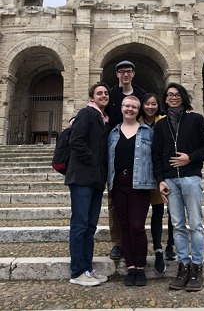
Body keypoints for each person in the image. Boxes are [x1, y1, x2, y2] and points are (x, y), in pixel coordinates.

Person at [152, 83, 204, 292]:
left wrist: (190, 158)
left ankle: (197, 267)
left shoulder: (196, 119)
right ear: (165, 99)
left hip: (190, 177)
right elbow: (156, 154)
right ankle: (183, 266)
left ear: (183, 97)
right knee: (177, 225)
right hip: (170, 180)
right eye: (169, 95)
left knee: (195, 224)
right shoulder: (160, 125)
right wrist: (160, 180)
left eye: (177, 94)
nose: (173, 98)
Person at [65, 82, 111, 287]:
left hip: (95, 180)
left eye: (106, 93)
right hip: (83, 177)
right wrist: (93, 160)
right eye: (99, 93)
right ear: (92, 97)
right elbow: (76, 141)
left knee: (90, 226)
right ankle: (77, 271)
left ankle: (87, 268)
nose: (103, 95)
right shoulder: (85, 113)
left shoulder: (103, 119)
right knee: (80, 224)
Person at [108, 95, 156, 287]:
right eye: (126, 106)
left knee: (137, 227)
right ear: (121, 108)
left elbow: (155, 157)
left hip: (140, 184)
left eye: (134, 107)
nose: (130, 109)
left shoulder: (148, 132)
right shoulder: (112, 133)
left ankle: (141, 267)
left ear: (139, 110)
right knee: (125, 228)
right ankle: (130, 267)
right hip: (118, 184)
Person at [106, 60, 146, 261]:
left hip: (137, 145)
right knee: (114, 201)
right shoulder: (111, 93)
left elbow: (153, 108)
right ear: (117, 74)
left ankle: (134, 239)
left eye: (128, 71)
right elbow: (97, 106)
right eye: (121, 72)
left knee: (136, 200)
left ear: (133, 73)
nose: (125, 75)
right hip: (115, 146)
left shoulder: (140, 93)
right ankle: (117, 243)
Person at [139, 93, 176, 274]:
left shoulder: (165, 120)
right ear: (142, 106)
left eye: (154, 104)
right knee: (157, 212)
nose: (151, 107)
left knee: (172, 211)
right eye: (147, 104)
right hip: (148, 172)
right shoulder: (137, 121)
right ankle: (158, 248)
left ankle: (170, 243)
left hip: (165, 170)